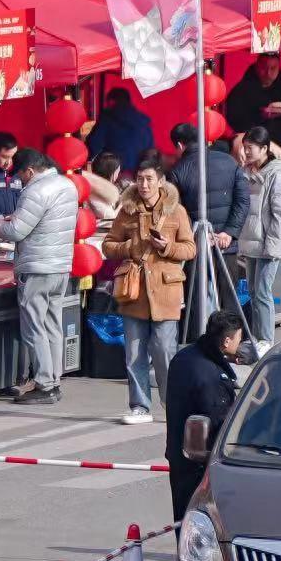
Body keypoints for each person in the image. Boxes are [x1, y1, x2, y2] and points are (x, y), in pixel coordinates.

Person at [102, 155, 196, 424]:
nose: (143, 184)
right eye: (139, 179)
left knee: (164, 351)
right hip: (134, 291)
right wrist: (128, 248)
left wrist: (167, 246)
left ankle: (172, 404)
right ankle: (139, 406)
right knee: (134, 353)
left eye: (149, 179)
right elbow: (108, 245)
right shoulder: (127, 210)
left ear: (160, 181)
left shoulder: (176, 210)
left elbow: (190, 249)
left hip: (166, 290)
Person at [0, 149, 78, 405]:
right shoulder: (66, 184)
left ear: (30, 171)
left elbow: (16, 231)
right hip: (60, 266)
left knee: (34, 327)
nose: (21, 181)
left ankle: (45, 384)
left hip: (37, 267)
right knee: (52, 325)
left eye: (21, 176)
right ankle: (54, 380)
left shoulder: (36, 190)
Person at [164, 311, 244, 519]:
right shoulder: (212, 376)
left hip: (178, 453)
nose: (240, 343)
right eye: (239, 338)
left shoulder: (184, 357)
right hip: (202, 463)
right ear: (227, 341)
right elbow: (220, 421)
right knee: (203, 523)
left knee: (183, 517)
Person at [237, 126, 281, 355]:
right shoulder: (248, 172)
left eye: (250, 148)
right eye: (245, 147)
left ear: (264, 148)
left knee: (262, 291)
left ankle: (266, 339)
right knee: (253, 290)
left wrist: (273, 246)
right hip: (252, 241)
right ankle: (256, 336)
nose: (246, 152)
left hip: (268, 244)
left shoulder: (276, 174)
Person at [168, 122, 249, 253]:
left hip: (197, 247)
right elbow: (243, 200)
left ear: (180, 146)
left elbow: (176, 210)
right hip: (227, 245)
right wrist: (229, 232)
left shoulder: (177, 171)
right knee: (227, 274)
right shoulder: (230, 161)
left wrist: (195, 237)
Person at [223, 54, 281, 151]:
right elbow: (234, 121)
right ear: (256, 66)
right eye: (264, 68)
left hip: (279, 148)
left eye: (273, 68)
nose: (268, 73)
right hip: (252, 149)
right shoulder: (242, 90)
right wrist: (261, 117)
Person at [84, 86, 154, 171]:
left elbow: (94, 144)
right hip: (139, 174)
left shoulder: (107, 119)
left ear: (112, 101)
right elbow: (151, 150)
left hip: (113, 171)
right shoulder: (143, 122)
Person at [84, 151, 125, 227]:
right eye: (117, 172)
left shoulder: (104, 188)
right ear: (111, 173)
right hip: (99, 233)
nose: (118, 175)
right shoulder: (94, 192)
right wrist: (122, 204)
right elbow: (110, 217)